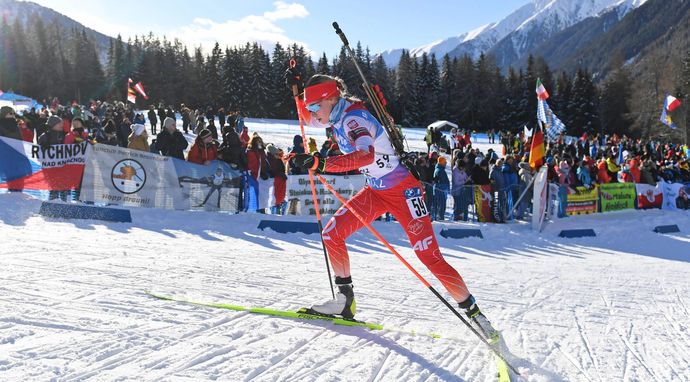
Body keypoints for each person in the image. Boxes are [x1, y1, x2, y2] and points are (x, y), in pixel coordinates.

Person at [285, 72, 499, 341]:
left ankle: (477, 316)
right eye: (310, 108)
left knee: (429, 258)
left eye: (315, 107)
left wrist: (323, 164)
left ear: (329, 98)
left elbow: (366, 154)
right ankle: (344, 299)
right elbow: (307, 120)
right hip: (376, 190)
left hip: (403, 192)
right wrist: (296, 94)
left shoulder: (352, 119)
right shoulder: (335, 114)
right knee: (332, 234)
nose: (312, 114)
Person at [432, 156, 449, 221]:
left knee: (441, 204)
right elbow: (439, 180)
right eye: (444, 162)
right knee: (441, 205)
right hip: (440, 190)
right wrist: (445, 187)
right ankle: (439, 217)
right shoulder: (439, 170)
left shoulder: (440, 169)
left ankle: (439, 217)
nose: (445, 163)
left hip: (441, 190)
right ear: (441, 162)